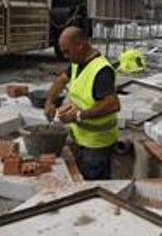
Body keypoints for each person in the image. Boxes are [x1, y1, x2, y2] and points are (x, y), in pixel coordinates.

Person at [44, 27, 120, 180]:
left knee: (93, 186)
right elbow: (61, 80)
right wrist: (50, 101)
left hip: (97, 144)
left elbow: (113, 105)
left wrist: (78, 115)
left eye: (67, 52)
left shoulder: (101, 70)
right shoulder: (78, 61)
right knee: (81, 177)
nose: (66, 56)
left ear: (80, 46)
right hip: (80, 138)